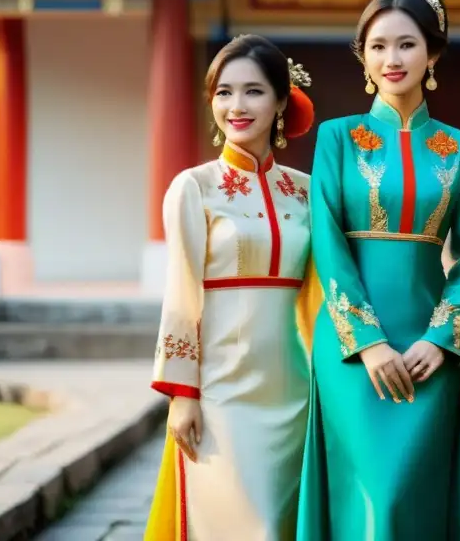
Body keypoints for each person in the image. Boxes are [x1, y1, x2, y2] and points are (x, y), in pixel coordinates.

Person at [297, 0, 460, 541]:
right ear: (363, 58)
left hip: (432, 350)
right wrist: (368, 340)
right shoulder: (336, 139)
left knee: (415, 494)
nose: (392, 59)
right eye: (378, 46)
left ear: (433, 55)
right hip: (351, 349)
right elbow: (327, 246)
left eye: (407, 45)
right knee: (374, 494)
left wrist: (441, 338)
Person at [144, 34, 320, 541]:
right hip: (221, 389)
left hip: (295, 389)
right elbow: (181, 294)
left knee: (284, 526)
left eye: (253, 92)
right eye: (223, 92)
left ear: (281, 101)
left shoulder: (306, 190)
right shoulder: (193, 187)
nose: (236, 107)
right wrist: (183, 394)